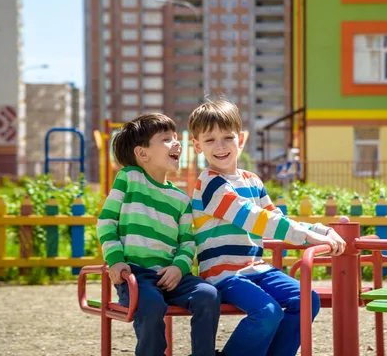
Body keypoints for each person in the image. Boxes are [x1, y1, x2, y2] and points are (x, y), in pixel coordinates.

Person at [188, 98, 347, 356]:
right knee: (267, 312)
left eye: (227, 137)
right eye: (210, 140)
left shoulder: (252, 180)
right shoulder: (209, 185)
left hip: (256, 268)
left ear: (240, 139)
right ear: (197, 146)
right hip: (223, 274)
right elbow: (254, 218)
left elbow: (275, 216)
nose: (220, 146)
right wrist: (307, 236)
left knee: (307, 300)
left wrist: (320, 230)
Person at [97, 113, 221, 356]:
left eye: (176, 138)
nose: (176, 143)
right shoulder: (129, 179)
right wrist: (115, 260)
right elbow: (106, 222)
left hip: (171, 276)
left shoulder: (180, 199)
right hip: (136, 275)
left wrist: (179, 267)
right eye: (166, 139)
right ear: (142, 153)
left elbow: (187, 241)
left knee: (209, 295)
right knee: (151, 306)